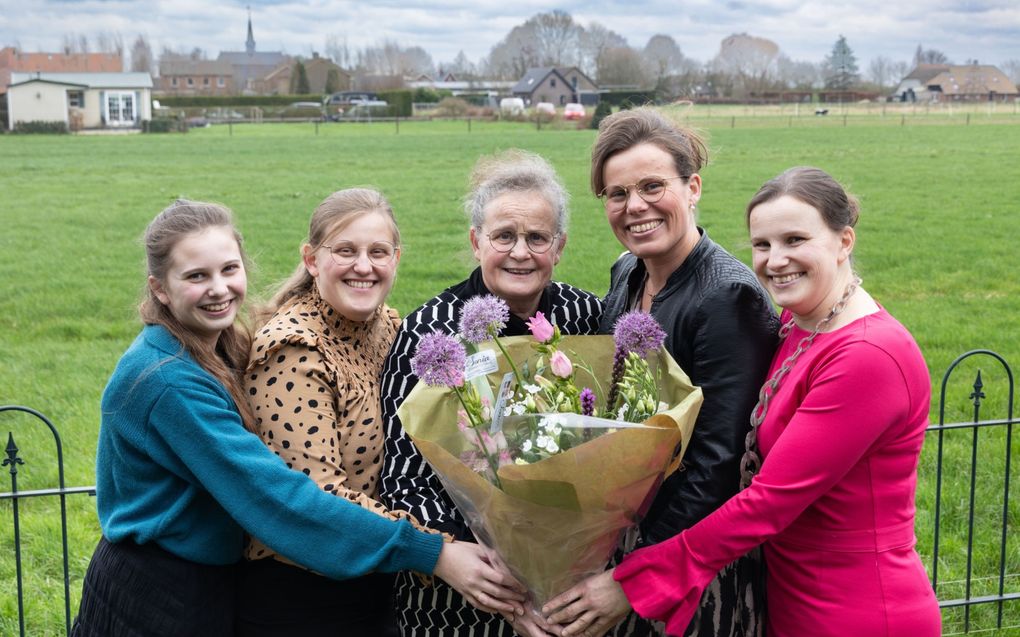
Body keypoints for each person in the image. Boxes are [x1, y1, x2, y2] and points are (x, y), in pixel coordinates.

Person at [71, 199, 524, 637]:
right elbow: (274, 497)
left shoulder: (217, 346)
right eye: (196, 276)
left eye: (229, 269)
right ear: (159, 289)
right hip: (160, 592)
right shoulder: (167, 380)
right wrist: (431, 551)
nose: (219, 288)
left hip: (210, 581)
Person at [547, 167, 942, 637]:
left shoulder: (868, 357)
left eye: (795, 240)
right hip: (791, 593)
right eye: (762, 244)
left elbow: (768, 502)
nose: (776, 260)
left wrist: (635, 582)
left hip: (856, 607)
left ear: (844, 241)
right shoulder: (802, 326)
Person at [235, 188, 514, 636]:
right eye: (345, 251)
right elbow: (317, 498)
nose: (363, 266)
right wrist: (438, 551)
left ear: (396, 258)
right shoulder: (292, 349)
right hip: (304, 602)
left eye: (377, 252)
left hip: (375, 587)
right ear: (311, 259)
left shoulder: (390, 327)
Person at [544, 108, 780, 637]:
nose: (635, 207)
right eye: (617, 193)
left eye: (653, 186)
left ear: (692, 187)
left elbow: (717, 465)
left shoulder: (727, 296)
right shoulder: (627, 272)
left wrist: (636, 575)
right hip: (628, 541)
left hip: (689, 563)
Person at [379, 149, 604, 636]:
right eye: (504, 236)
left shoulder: (585, 318)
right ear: (476, 240)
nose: (521, 252)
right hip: (463, 596)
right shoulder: (430, 334)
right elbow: (404, 479)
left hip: (568, 591)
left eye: (537, 237)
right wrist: (500, 572)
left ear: (559, 246)